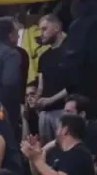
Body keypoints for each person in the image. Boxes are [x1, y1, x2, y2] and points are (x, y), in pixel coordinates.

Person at [34, 13, 72, 144]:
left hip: (63, 110)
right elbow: (41, 85)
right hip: (45, 112)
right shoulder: (44, 57)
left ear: (56, 27)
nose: (41, 33)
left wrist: (51, 99)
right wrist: (36, 98)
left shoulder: (70, 52)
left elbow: (74, 84)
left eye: (44, 29)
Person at [20, 114, 94, 175]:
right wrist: (32, 157)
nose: (55, 131)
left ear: (65, 130)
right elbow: (39, 173)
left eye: (58, 128)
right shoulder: (56, 151)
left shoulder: (80, 154)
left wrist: (37, 159)